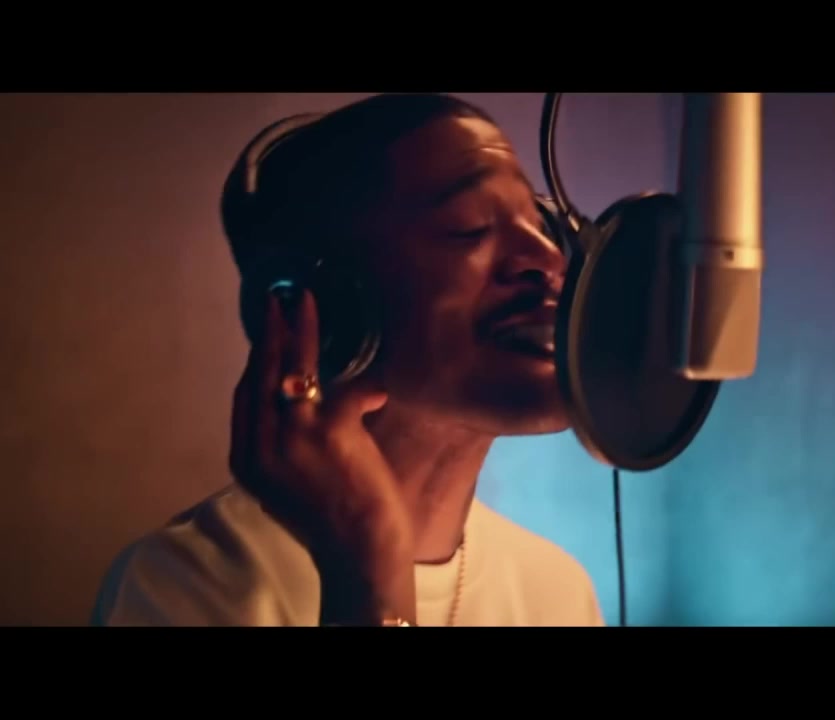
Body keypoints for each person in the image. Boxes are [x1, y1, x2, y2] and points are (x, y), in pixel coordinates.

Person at [90, 93, 606, 626]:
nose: (550, 260)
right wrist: (367, 567)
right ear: (329, 301)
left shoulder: (560, 593)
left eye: (540, 227)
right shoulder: (186, 583)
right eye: (470, 225)